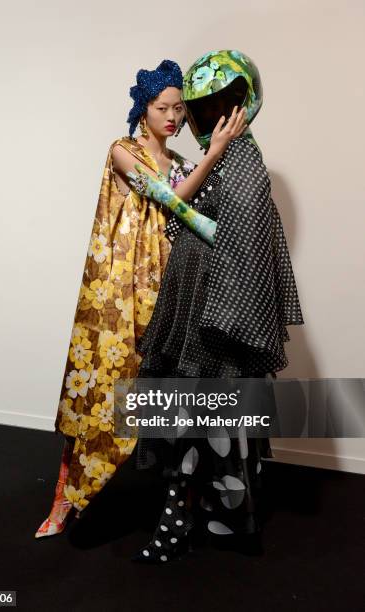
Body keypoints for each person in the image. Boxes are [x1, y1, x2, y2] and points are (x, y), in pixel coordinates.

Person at [35, 59, 247, 538]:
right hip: (118, 288)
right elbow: (169, 202)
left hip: (165, 284)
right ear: (144, 108)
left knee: (165, 386)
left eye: (178, 109)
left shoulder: (184, 165)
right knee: (100, 385)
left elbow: (195, 219)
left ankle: (179, 505)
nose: (172, 117)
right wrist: (214, 153)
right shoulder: (123, 151)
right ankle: (65, 500)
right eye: (162, 107)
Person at [126, 49, 305, 563]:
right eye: (200, 109)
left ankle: (184, 520)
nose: (207, 119)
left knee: (205, 420)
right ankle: (207, 515)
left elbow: (240, 241)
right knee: (198, 419)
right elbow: (183, 211)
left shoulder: (244, 162)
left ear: (246, 104)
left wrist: (224, 320)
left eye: (221, 106)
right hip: (200, 311)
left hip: (217, 317)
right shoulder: (221, 157)